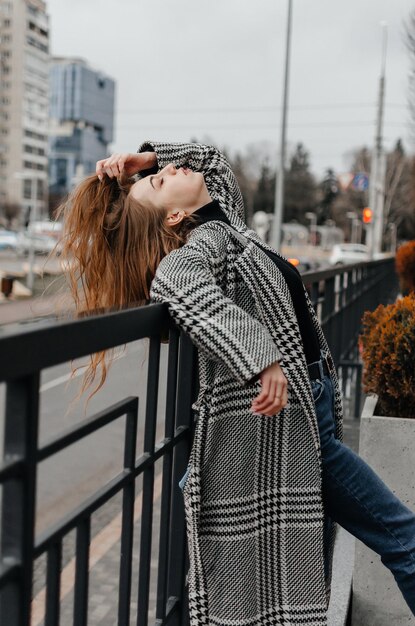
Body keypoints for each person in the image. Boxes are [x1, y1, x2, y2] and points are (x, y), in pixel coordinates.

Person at [58, 142, 415, 625]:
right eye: (162, 181)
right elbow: (179, 287)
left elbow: (210, 161)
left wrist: (147, 160)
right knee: (402, 538)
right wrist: (262, 358)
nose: (173, 169)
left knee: (337, 552)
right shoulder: (202, 247)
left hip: (310, 414)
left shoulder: (226, 224)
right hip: (294, 428)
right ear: (173, 218)